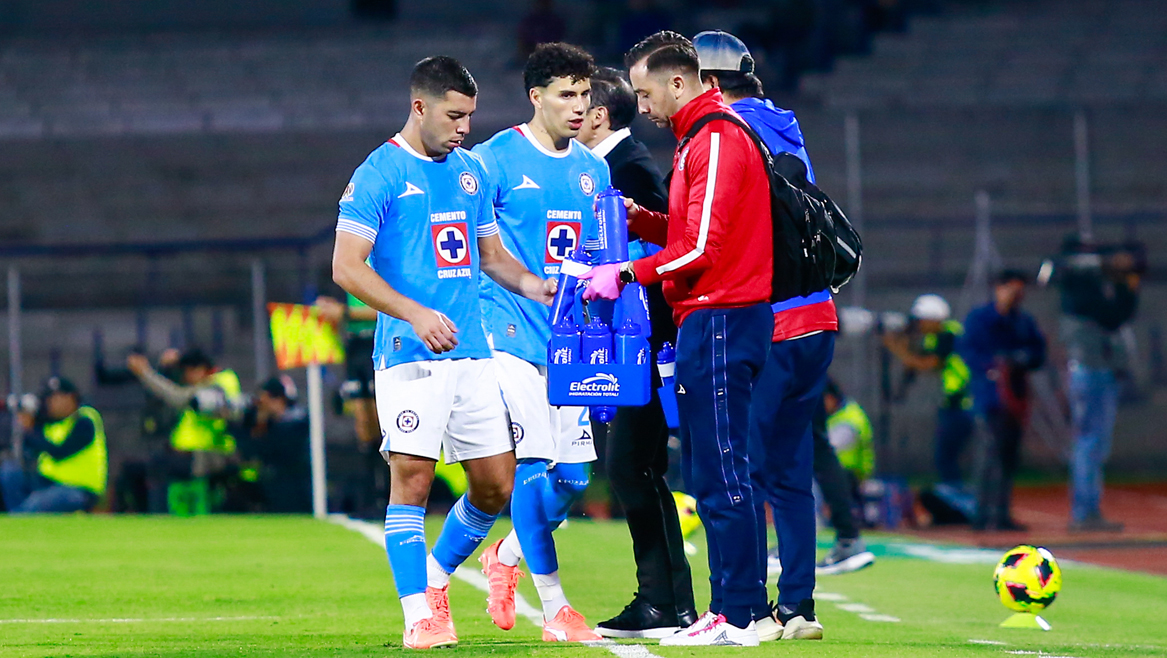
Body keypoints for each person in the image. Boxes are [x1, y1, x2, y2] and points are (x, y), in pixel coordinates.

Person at [331, 55, 557, 650]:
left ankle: (435, 578)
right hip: (408, 353)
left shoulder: (469, 173)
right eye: (454, 116)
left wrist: (537, 284)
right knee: (412, 479)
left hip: (472, 353)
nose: (464, 128)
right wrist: (414, 311)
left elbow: (491, 256)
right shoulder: (378, 172)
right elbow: (345, 268)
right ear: (419, 107)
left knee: (494, 485)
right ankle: (419, 615)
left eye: (471, 117)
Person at [584, 31, 775, 646]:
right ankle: (736, 609)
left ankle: (740, 612)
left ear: (677, 81)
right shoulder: (700, 139)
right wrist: (646, 222)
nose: (641, 106)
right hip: (711, 317)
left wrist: (627, 270)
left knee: (720, 471)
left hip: (721, 315)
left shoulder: (715, 136)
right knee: (711, 468)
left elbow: (702, 249)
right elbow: (688, 232)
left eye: (644, 92)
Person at [693, 29, 834, 641]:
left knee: (738, 468)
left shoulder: (722, 131)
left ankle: (742, 608)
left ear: (710, 82)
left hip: (767, 317)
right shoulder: (785, 123)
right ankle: (799, 607)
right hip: (819, 316)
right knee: (790, 472)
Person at [471, 42, 607, 643]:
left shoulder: (594, 170)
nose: (579, 107)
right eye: (566, 95)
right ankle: (555, 609)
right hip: (507, 335)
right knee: (531, 466)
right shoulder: (494, 159)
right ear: (536, 96)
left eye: (585, 95)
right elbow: (472, 241)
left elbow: (601, 257)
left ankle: (504, 556)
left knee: (575, 479)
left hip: (570, 344)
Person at [578, 66, 699, 639]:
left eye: (580, 102)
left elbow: (673, 242)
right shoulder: (612, 166)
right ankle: (666, 601)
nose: (571, 113)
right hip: (632, 343)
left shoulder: (630, 168)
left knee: (633, 467)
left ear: (599, 114)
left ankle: (667, 601)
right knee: (634, 469)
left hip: (646, 345)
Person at [1058, 239, 1140, 532]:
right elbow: (1110, 316)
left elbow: (1116, 315)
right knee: (1090, 443)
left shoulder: (1085, 289)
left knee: (1094, 444)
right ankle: (1084, 511)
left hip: (1098, 370)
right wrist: (1120, 283)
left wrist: (1124, 284)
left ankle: (1088, 509)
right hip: (1090, 371)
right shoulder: (1077, 288)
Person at [960, 270, 1047, 532]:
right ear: (998, 288)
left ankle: (1000, 514)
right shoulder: (981, 318)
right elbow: (968, 352)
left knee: (1009, 458)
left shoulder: (1023, 322)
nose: (1015, 295)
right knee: (989, 456)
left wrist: (1020, 360)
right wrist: (994, 366)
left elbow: (1038, 352)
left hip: (1016, 399)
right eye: (1011, 289)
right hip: (989, 398)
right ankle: (981, 515)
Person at [883, 294, 977, 519]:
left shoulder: (949, 334)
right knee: (946, 456)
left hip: (963, 403)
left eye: (922, 320)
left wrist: (896, 348)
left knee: (947, 456)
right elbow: (919, 360)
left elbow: (927, 363)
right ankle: (955, 503)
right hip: (954, 404)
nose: (920, 325)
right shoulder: (937, 337)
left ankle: (961, 505)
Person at [127, 348, 243, 516]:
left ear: (199, 370)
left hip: (211, 454)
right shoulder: (211, 383)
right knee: (135, 469)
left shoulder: (218, 385)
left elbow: (178, 397)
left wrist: (146, 374)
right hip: (195, 453)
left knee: (157, 465)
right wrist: (164, 367)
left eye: (186, 371)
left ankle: (161, 517)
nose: (184, 377)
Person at [314, 293, 385, 515]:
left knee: (382, 421)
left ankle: (388, 496)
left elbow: (395, 306)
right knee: (363, 425)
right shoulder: (346, 265)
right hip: (355, 348)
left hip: (381, 340)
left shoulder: (386, 262)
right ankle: (368, 498)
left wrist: (344, 313)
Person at [0, 377, 107, 513]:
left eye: (56, 398)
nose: (50, 403)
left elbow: (59, 452)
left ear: (71, 397)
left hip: (78, 489)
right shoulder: (51, 422)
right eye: (49, 399)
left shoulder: (85, 419)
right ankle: (19, 515)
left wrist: (30, 430)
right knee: (10, 471)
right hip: (46, 483)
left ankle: (17, 520)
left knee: (38, 502)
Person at [814, 381, 876, 575]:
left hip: (850, 475)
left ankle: (835, 533)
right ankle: (847, 537)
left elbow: (832, 448)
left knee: (811, 463)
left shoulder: (849, 418)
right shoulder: (838, 414)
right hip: (841, 473)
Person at [236, 376, 312, 513]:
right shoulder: (276, 422)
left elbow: (264, 449)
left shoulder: (295, 422)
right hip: (277, 484)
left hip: (293, 485)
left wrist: (261, 425)